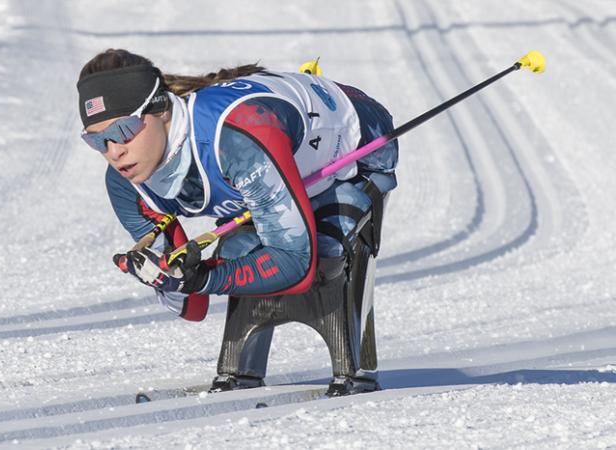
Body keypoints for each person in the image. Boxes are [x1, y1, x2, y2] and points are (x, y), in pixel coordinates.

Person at [77, 48, 398, 392]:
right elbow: (192, 306)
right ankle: (241, 369)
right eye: (97, 140)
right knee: (237, 250)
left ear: (162, 111)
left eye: (123, 130)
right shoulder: (126, 185)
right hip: (271, 170)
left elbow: (297, 264)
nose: (113, 152)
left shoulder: (237, 139)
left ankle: (357, 369)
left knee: (330, 248)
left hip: (358, 156)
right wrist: (165, 278)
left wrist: (204, 278)